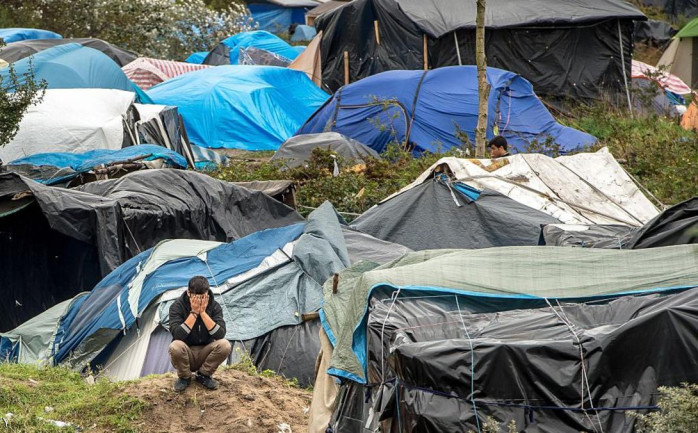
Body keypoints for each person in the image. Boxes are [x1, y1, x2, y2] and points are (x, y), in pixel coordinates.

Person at [169, 276, 231, 392]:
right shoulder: (177, 307)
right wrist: (194, 313)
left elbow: (220, 334)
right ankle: (184, 377)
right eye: (196, 298)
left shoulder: (214, 306)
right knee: (175, 346)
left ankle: (204, 374)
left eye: (203, 297)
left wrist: (202, 313)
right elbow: (177, 335)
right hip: (185, 352)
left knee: (225, 345)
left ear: (207, 294)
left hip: (206, 352)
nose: (200, 301)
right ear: (188, 293)